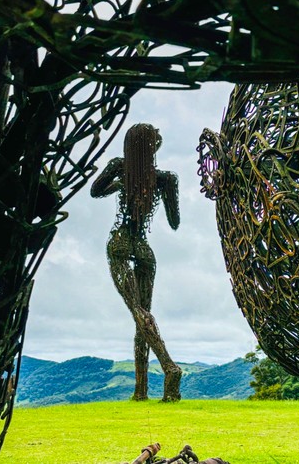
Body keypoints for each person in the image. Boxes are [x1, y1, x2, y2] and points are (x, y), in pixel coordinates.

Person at [90, 123, 183, 401]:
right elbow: (175, 221)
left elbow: (95, 191)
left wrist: (122, 184)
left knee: (139, 314)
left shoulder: (119, 166)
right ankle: (140, 391)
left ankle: (169, 367)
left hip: (120, 243)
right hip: (144, 248)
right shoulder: (166, 179)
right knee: (143, 318)